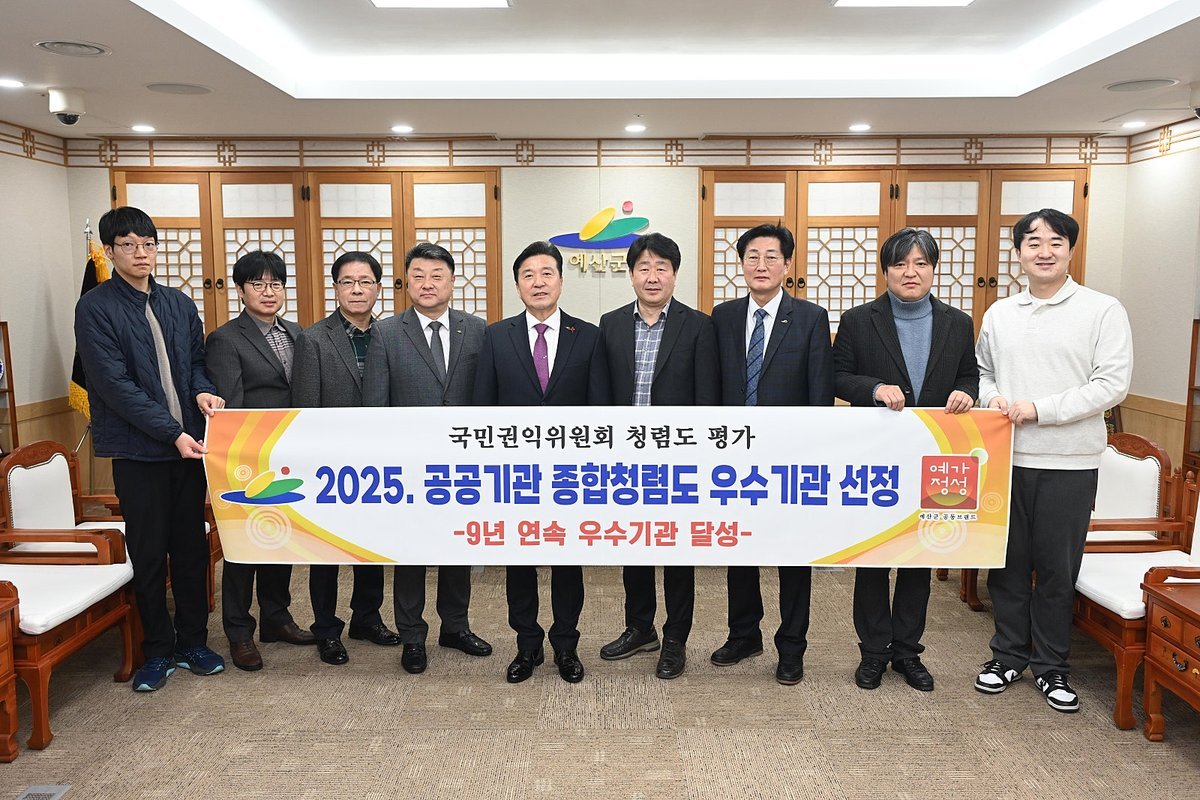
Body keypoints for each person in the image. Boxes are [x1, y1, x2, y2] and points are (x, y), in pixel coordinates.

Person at [973, 208, 1131, 713]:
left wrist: (1041, 410)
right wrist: (994, 398)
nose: (1045, 252)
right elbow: (982, 372)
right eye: (1033, 243)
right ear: (1018, 252)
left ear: (1070, 250)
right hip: (1006, 459)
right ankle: (1007, 656)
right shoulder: (1000, 313)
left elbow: (1111, 384)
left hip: (1070, 462)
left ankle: (1051, 666)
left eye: (1056, 242)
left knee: (1058, 572)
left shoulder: (1102, 310)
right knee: (1007, 567)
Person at [75, 206, 226, 691]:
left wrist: (203, 393)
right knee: (148, 552)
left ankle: (193, 642)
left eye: (148, 244)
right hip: (140, 453)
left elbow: (197, 363)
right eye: (128, 245)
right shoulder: (95, 307)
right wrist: (171, 432)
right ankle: (157, 650)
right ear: (109, 251)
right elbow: (114, 386)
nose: (140, 253)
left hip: (187, 449)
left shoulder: (178, 303)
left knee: (190, 549)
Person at [832, 227, 979, 692]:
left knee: (920, 557)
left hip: (937, 457)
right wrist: (875, 388)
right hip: (876, 459)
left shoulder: (958, 323)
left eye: (920, 263)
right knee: (874, 557)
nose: (910, 272)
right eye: (900, 264)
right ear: (886, 271)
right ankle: (873, 652)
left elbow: (970, 376)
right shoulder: (858, 320)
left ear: (933, 269)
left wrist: (966, 392)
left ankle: (908, 652)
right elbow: (837, 376)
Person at [472, 240, 611, 683]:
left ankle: (566, 646)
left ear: (561, 282)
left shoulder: (587, 335)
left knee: (568, 562)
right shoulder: (496, 336)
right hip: (516, 473)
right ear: (517, 286)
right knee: (519, 562)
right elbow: (483, 409)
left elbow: (600, 410)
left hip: (571, 474)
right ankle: (526, 645)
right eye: (528, 275)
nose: (538, 282)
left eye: (546, 273)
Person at [709, 223, 834, 686]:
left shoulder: (810, 318)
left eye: (771, 257)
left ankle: (792, 647)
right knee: (739, 545)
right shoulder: (722, 317)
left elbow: (820, 394)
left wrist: (814, 454)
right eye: (752, 257)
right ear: (741, 264)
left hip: (789, 457)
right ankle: (744, 634)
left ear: (787, 264)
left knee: (792, 554)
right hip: (734, 456)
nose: (761, 265)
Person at [363, 242, 493, 675]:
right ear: (407, 283)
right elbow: (375, 405)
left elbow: (487, 399)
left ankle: (455, 626)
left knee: (458, 545)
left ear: (453, 282)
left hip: (464, 462)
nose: (427, 284)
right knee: (411, 551)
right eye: (418, 276)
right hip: (409, 464)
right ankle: (413, 636)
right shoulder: (386, 332)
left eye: (437, 276)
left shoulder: (477, 330)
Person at [597, 232, 720, 679]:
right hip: (626, 457)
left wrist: (701, 457)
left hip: (678, 459)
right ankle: (640, 627)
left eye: (661, 268)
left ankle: (675, 638)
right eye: (644, 268)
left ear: (674, 274)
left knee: (677, 549)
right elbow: (601, 394)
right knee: (634, 543)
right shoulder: (610, 323)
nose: (652, 276)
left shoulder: (698, 325)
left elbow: (707, 397)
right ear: (631, 275)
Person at [205, 250, 315, 671]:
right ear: (240, 290)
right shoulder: (226, 339)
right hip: (246, 460)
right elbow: (231, 407)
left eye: (276, 284)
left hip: (289, 455)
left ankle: (276, 618)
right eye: (258, 284)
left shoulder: (297, 332)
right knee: (244, 546)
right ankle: (239, 631)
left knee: (280, 536)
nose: (269, 292)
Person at [292, 251, 402, 665]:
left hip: (378, 460)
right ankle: (326, 628)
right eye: (347, 282)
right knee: (326, 551)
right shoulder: (313, 339)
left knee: (371, 545)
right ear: (336, 288)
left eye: (365, 281)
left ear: (378, 288)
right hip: (329, 464)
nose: (357, 290)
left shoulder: (391, 335)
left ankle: (367, 618)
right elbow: (305, 409)